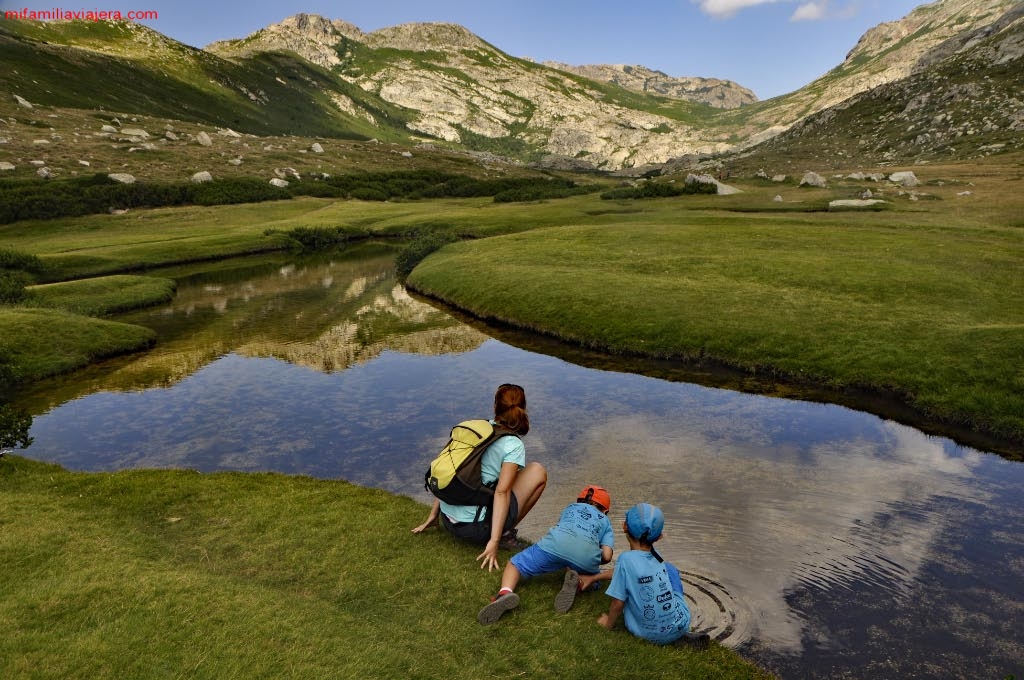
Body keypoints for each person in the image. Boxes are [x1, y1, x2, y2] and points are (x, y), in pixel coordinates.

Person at [412, 383, 547, 572]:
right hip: (474, 530)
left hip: (447, 519)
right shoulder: (513, 444)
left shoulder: (475, 429)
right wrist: (493, 541)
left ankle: (492, 528)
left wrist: (434, 515)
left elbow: (449, 471)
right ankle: (505, 535)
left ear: (495, 408)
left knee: (506, 476)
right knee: (537, 471)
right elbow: (502, 492)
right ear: (523, 409)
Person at [477, 485, 615, 625]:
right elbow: (608, 556)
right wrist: (595, 559)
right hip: (586, 556)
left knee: (515, 564)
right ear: (606, 510)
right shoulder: (605, 520)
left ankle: (505, 593)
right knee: (592, 578)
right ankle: (579, 582)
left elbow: (562, 528)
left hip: (555, 545)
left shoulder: (571, 507)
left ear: (579, 501)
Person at [597, 503, 710, 648]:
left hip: (645, 634)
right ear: (659, 537)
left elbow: (618, 603)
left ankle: (668, 636)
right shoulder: (658, 557)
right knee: (671, 570)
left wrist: (607, 624)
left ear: (624, 526)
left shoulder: (625, 559)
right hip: (682, 623)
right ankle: (678, 633)